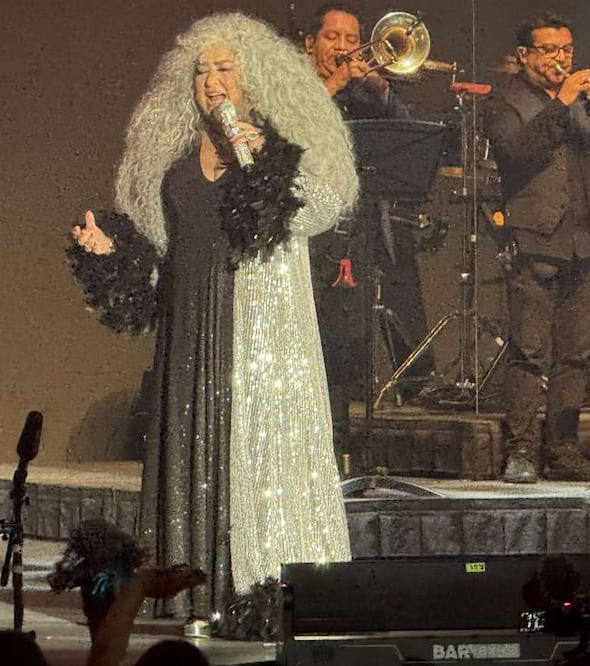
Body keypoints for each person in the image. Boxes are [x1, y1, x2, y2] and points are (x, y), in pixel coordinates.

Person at [68, 12, 357, 621]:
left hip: (253, 325)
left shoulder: (276, 141)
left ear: (253, 77)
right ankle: (190, 587)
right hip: (188, 322)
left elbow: (320, 211)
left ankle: (251, 586)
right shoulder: (172, 150)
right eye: (201, 70)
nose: (211, 79)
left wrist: (271, 165)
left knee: (249, 455)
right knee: (190, 451)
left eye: (224, 67)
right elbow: (158, 251)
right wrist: (108, 254)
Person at [482, 11, 590, 483]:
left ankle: (564, 451)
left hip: (587, 240)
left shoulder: (584, 103)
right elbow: (517, 153)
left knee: (575, 356)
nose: (560, 59)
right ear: (524, 55)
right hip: (534, 242)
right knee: (529, 353)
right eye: (549, 50)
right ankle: (521, 451)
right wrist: (563, 105)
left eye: (566, 50)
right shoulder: (503, 103)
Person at [301, 4, 431, 436]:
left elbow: (410, 140)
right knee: (311, 342)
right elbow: (294, 129)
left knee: (349, 345)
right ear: (309, 43)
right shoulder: (292, 86)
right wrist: (337, 81)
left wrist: (381, 91)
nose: (343, 48)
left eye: (351, 40)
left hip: (356, 233)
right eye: (332, 38)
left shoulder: (362, 94)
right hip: (306, 235)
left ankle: (343, 441)